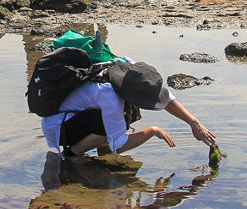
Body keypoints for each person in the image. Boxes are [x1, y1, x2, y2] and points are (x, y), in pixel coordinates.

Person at [41, 61, 216, 158]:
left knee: (123, 117)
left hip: (75, 115)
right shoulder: (109, 96)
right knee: (117, 122)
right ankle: (72, 154)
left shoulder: (129, 69)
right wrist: (153, 131)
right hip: (58, 127)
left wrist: (194, 123)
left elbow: (167, 98)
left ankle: (101, 151)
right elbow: (119, 146)